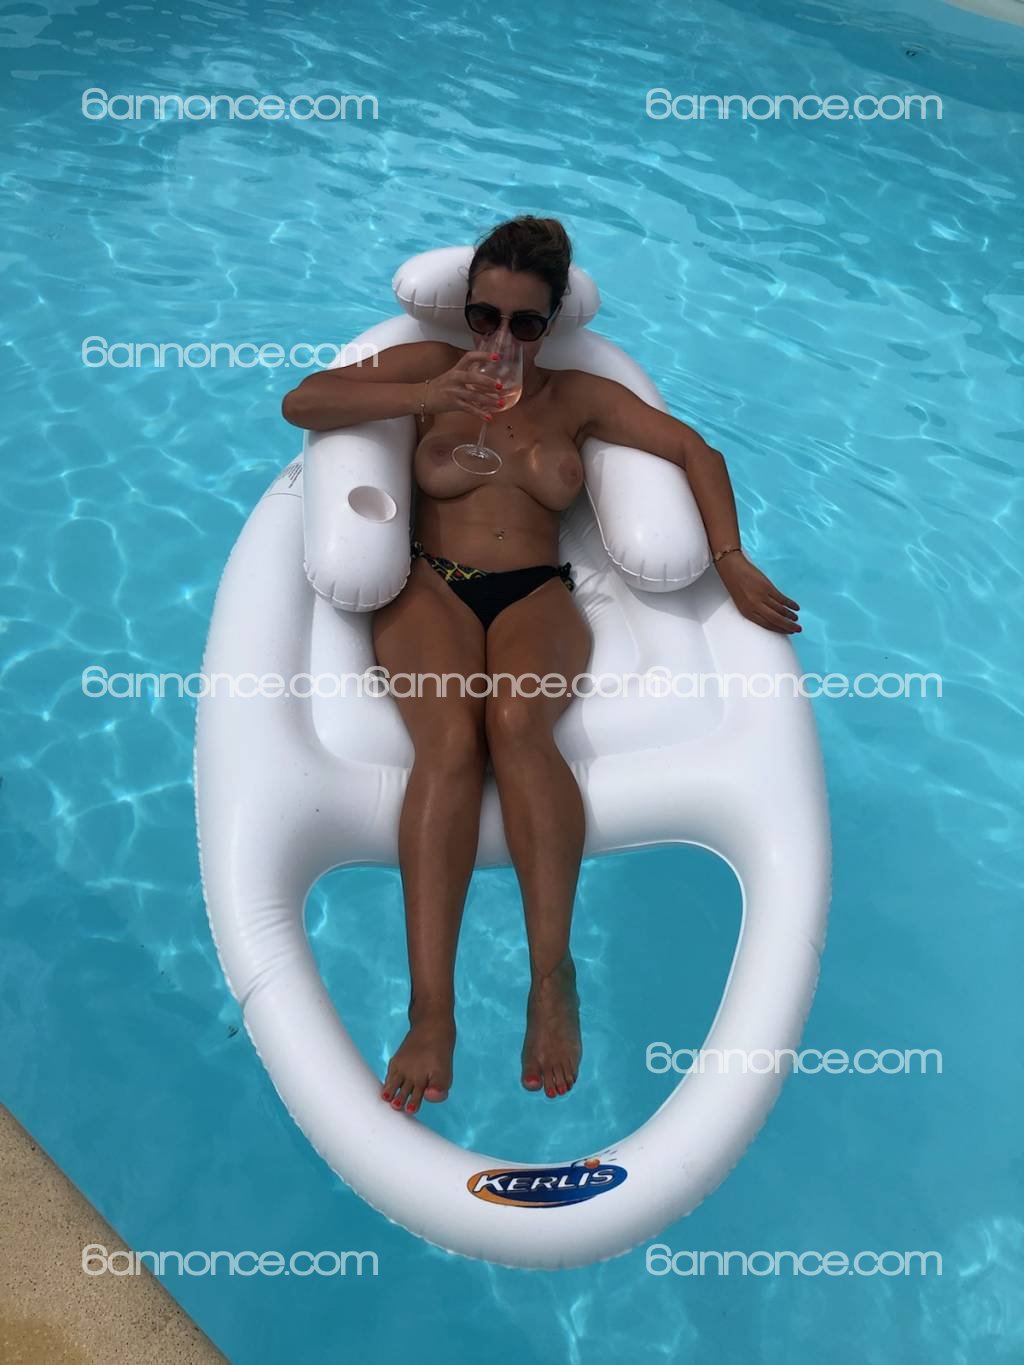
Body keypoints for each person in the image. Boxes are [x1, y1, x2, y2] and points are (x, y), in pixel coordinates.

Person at [281, 215, 801, 1116]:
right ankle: (432, 1012)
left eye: (524, 322)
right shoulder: (429, 366)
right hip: (430, 586)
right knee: (450, 740)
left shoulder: (576, 397)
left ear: (551, 321)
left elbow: (695, 450)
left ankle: (552, 977)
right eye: (485, 316)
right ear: (466, 308)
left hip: (534, 594)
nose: (500, 339)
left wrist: (730, 557)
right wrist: (427, 394)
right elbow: (303, 401)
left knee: (520, 725)